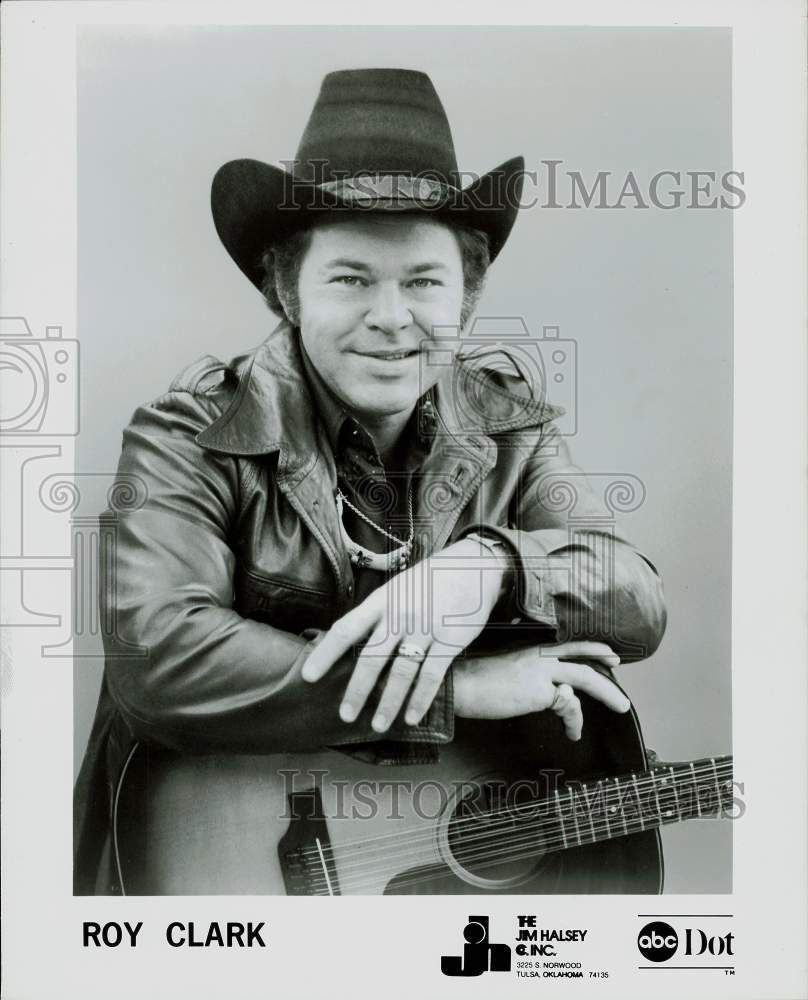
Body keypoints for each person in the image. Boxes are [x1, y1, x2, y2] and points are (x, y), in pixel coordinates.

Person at [74, 68, 667, 894]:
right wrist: (452, 691)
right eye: (350, 279)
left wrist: (488, 567)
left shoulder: (515, 429)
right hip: (201, 870)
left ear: (467, 295)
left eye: (424, 282)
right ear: (288, 290)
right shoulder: (190, 436)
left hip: (409, 880)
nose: (393, 317)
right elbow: (162, 661)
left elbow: (632, 597)